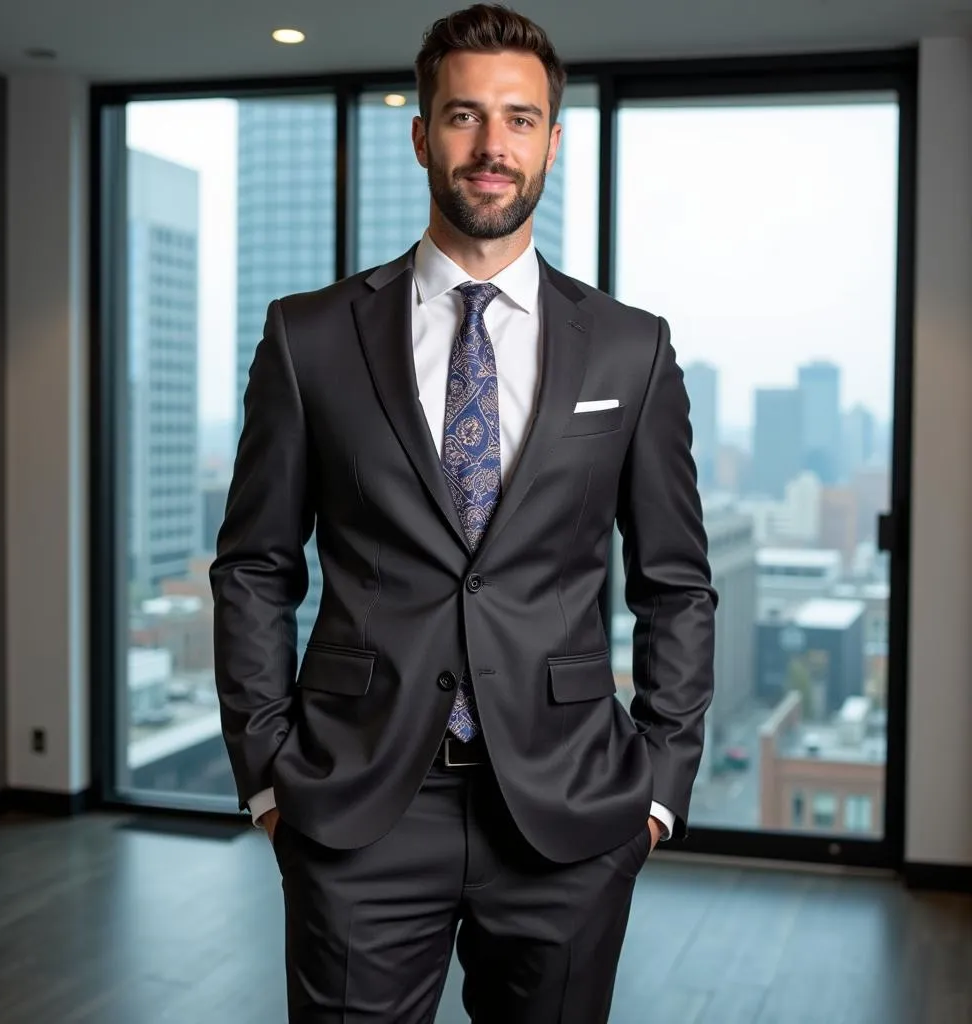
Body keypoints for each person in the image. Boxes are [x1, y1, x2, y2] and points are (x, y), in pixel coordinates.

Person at [211, 4, 717, 1020]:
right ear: (421, 133)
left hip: (570, 810)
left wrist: (657, 787)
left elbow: (675, 582)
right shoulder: (308, 337)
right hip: (356, 807)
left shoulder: (631, 349)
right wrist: (268, 773)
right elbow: (255, 565)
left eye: (520, 120)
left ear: (553, 141)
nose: (492, 147)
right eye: (464, 117)